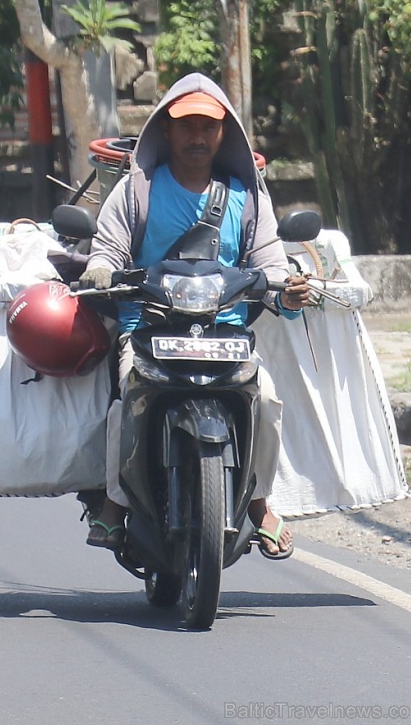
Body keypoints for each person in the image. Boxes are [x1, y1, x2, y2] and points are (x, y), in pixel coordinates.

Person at [79, 72, 310, 557]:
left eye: (209, 126)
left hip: (225, 335)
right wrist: (101, 270)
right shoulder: (135, 191)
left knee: (265, 400)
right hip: (148, 330)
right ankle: (116, 506)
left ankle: (260, 503)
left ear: (224, 133)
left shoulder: (248, 200)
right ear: (167, 130)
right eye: (187, 126)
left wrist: (286, 291)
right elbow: (108, 247)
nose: (198, 136)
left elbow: (269, 264)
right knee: (126, 397)